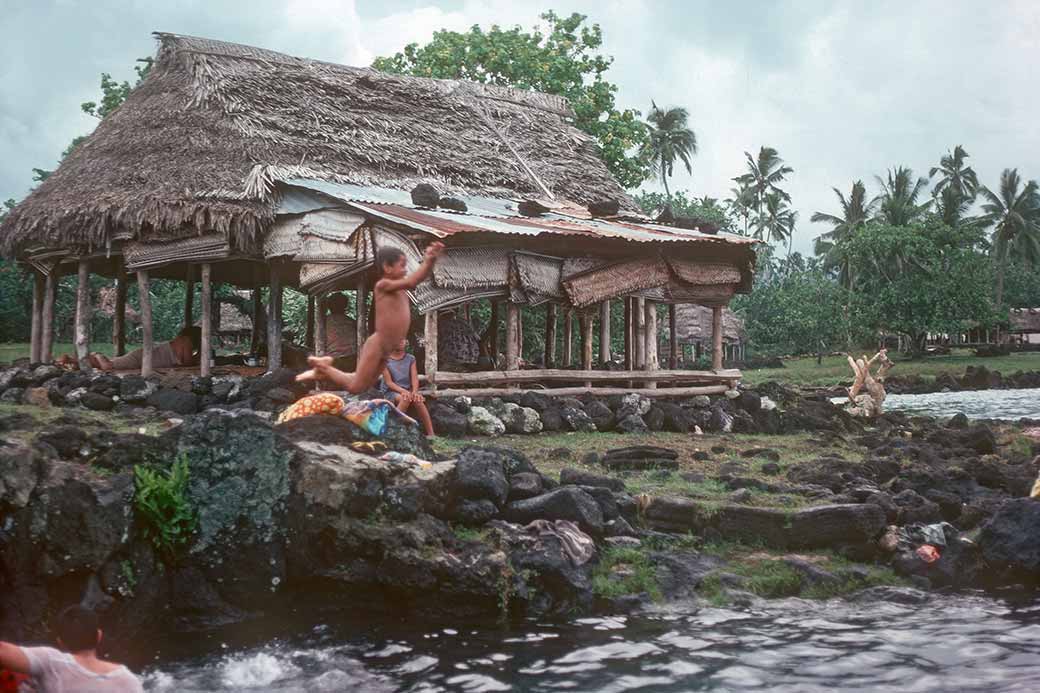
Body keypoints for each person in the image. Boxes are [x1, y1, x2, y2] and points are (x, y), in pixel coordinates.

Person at [298, 242, 444, 393]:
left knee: (363, 385)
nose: (406, 269)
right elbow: (413, 280)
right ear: (387, 267)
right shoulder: (383, 285)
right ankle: (325, 368)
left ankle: (325, 369)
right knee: (355, 387)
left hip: (387, 349)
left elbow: (414, 282)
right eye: (402, 265)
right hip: (378, 344)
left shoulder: (401, 290)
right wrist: (429, 260)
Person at [0, 605, 144, 692]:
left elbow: (3, 651)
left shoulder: (52, 662)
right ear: (99, 636)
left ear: (60, 642)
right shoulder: (129, 681)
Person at [79, 326, 201, 371]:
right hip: (140, 358)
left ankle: (77, 361)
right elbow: (187, 363)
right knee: (108, 366)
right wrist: (200, 353)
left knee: (112, 362)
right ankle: (97, 354)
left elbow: (183, 362)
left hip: (143, 357)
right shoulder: (186, 341)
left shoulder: (183, 340)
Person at [380, 339, 435, 437]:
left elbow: (414, 378)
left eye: (403, 339)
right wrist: (404, 391)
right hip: (392, 391)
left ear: (406, 342)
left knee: (418, 400)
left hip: (408, 390)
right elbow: (389, 383)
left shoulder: (411, 359)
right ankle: (392, 430)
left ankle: (431, 434)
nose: (400, 342)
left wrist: (415, 392)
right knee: (405, 398)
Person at [324, 292, 358, 369]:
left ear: (329, 306)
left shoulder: (323, 322)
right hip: (353, 360)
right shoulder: (352, 322)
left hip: (332, 361)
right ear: (345, 306)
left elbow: (316, 343)